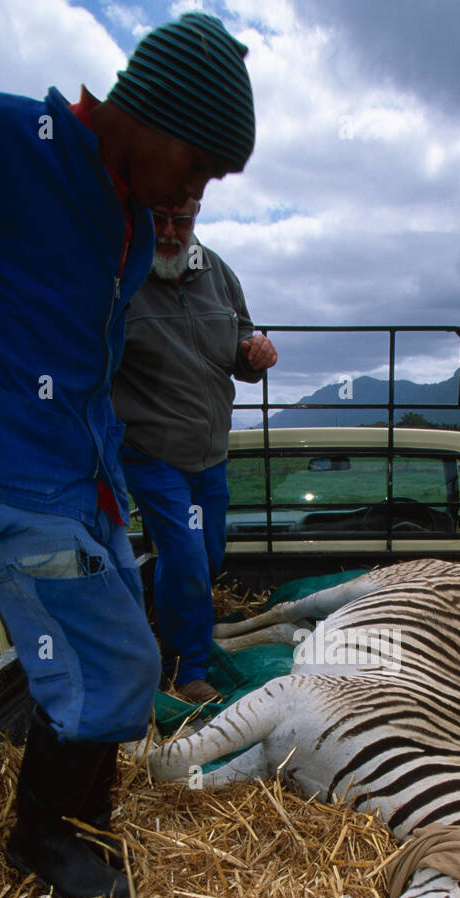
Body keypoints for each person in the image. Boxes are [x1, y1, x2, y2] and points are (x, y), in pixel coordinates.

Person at [0, 13, 256, 898]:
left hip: (85, 471)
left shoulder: (131, 219)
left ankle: (82, 822)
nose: (195, 192)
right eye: (202, 164)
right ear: (153, 115)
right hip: (10, 469)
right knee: (123, 665)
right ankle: (40, 840)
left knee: (104, 656)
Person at [113, 200, 277, 704]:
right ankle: (187, 671)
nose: (168, 231)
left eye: (180, 220)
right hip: (151, 450)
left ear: (196, 218)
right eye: (156, 217)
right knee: (185, 553)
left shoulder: (219, 274)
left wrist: (257, 353)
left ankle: (182, 632)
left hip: (211, 451)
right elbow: (86, 355)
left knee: (206, 554)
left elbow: (242, 342)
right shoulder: (117, 277)